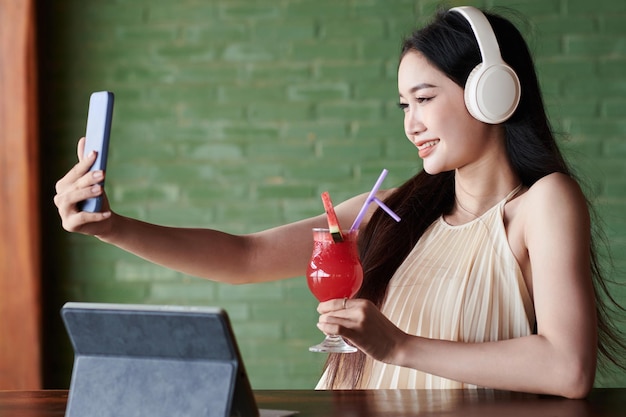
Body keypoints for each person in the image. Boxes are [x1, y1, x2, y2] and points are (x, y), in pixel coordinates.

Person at [54, 6, 625, 399]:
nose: (413, 124)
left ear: (491, 92)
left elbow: (567, 367)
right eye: (403, 105)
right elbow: (247, 257)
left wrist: (398, 346)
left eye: (424, 98)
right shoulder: (395, 207)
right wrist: (112, 228)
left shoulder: (542, 205)